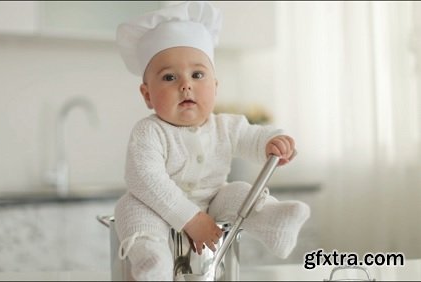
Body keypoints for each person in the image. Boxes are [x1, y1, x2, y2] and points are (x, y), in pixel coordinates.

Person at [114, 1, 310, 280]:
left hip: (212, 201)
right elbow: (144, 179)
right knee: (131, 211)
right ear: (147, 95)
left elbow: (251, 136)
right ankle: (152, 262)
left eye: (197, 74)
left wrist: (272, 141)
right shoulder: (149, 132)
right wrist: (190, 219)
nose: (185, 85)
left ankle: (274, 221)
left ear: (215, 87)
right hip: (154, 208)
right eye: (169, 77)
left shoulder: (226, 125)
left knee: (238, 191)